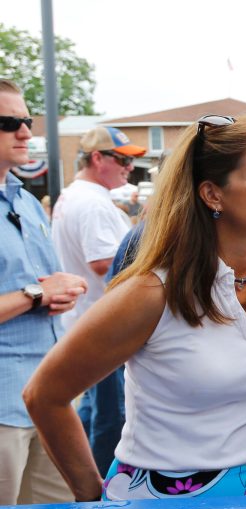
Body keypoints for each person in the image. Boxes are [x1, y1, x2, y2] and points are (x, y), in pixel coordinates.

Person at [24, 115, 246, 502]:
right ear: (212, 194)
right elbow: (44, 395)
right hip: (162, 507)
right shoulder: (151, 292)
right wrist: (90, 499)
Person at [0, 78, 87, 505]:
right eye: (7, 122)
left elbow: (45, 286)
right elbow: (36, 289)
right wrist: (36, 293)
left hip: (48, 398)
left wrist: (59, 294)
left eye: (26, 121)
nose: (24, 132)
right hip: (3, 408)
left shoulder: (28, 202)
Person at [51, 125, 146, 477]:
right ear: (97, 158)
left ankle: (83, 483)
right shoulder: (92, 202)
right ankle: (103, 498)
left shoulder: (76, 196)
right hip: (104, 329)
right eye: (122, 159)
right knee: (111, 417)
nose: (128, 168)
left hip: (87, 322)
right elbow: (106, 263)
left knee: (94, 411)